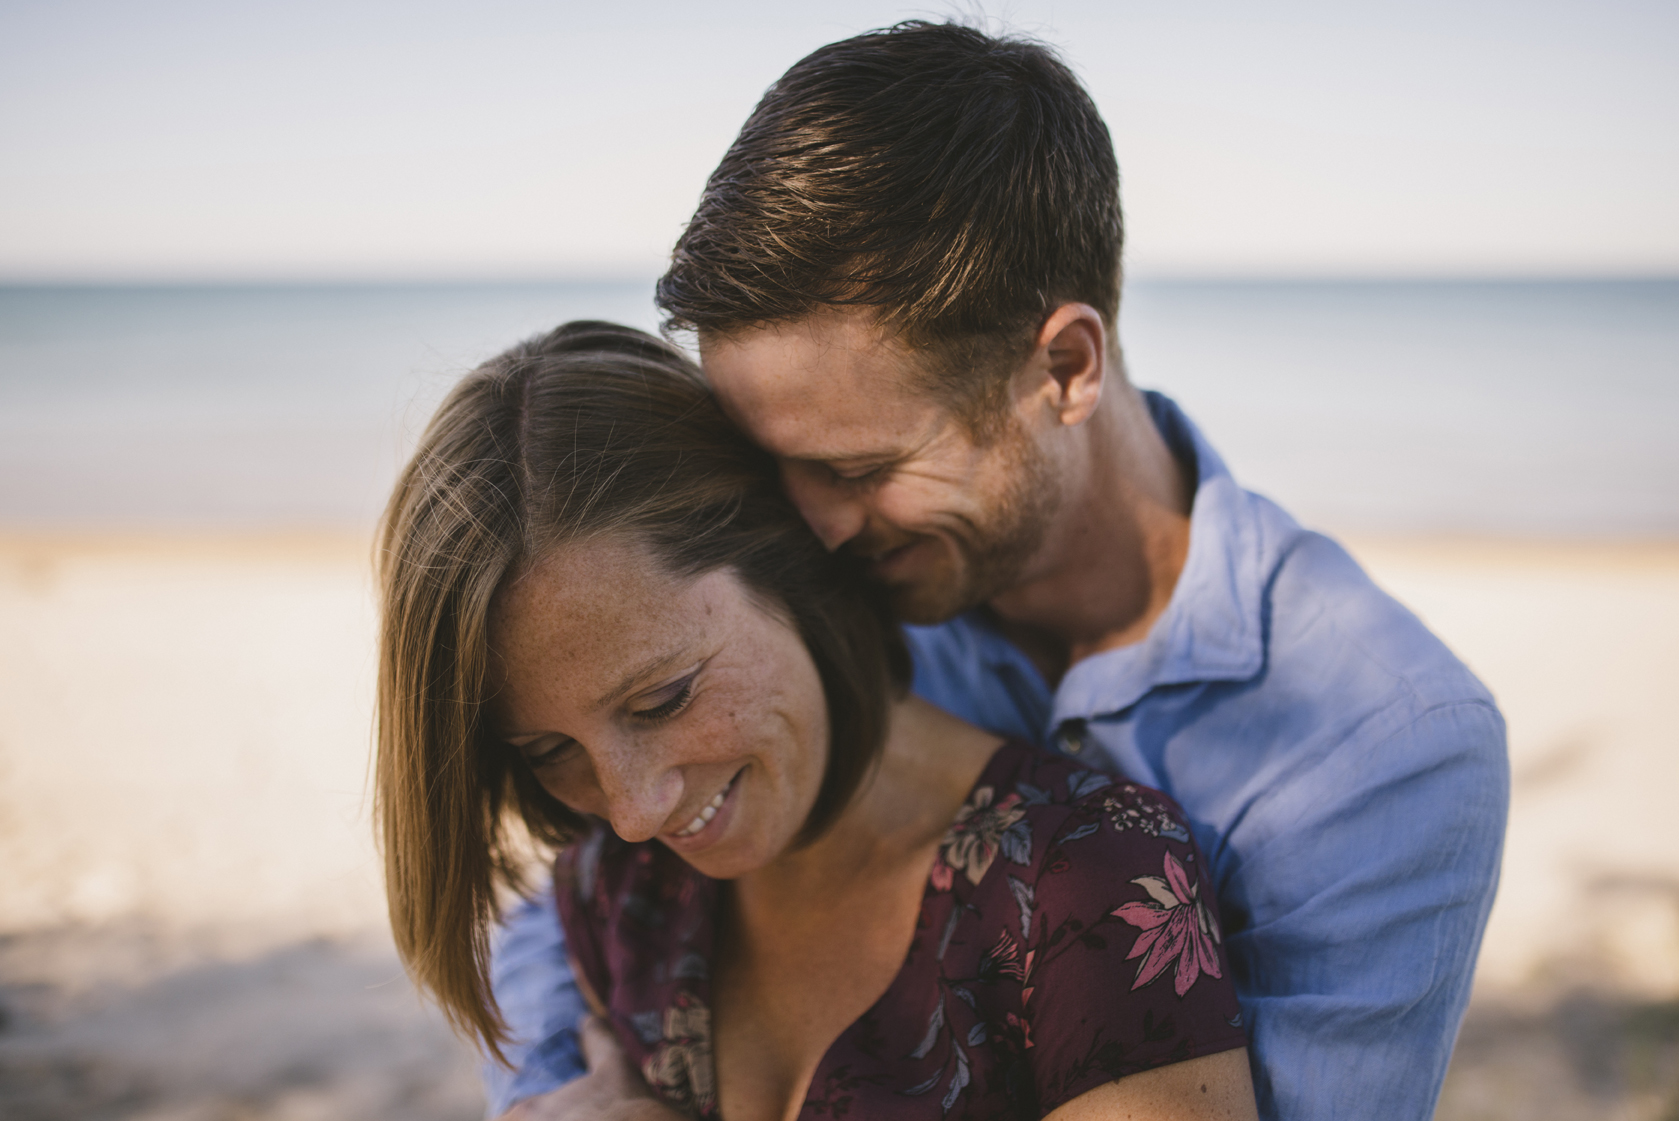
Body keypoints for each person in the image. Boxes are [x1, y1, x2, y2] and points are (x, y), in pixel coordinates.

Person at [486, 21, 1509, 1121]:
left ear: (1063, 368)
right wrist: (555, 1095)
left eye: (860, 466)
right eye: (775, 468)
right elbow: (590, 890)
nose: (811, 529)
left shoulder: (1388, 744)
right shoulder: (818, 594)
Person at [376, 319, 1261, 1120]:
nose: (633, 809)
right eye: (548, 751)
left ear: (795, 561)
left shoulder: (1093, 883)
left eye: (662, 698)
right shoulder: (619, 890)